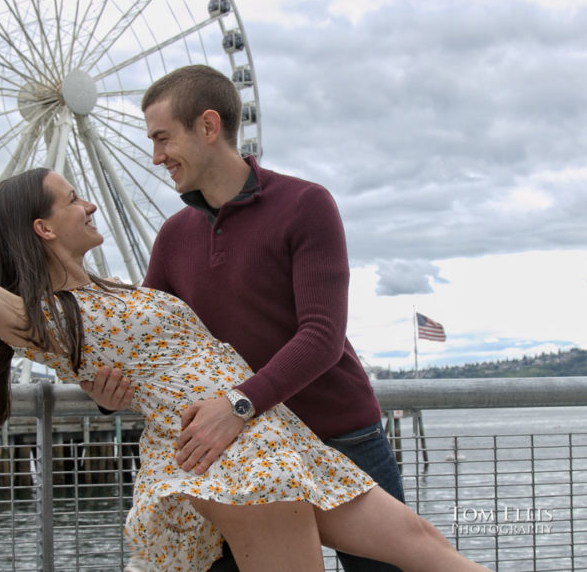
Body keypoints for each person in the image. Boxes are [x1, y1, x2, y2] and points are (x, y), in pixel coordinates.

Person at [0, 170, 487, 572]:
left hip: (270, 431)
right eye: (71, 196)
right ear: (44, 228)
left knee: (426, 545)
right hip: (223, 453)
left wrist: (107, 391)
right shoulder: (46, 315)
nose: (88, 200)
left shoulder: (114, 291)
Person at [84, 64, 405, 572]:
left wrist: (237, 405)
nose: (156, 156)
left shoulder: (306, 204)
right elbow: (149, 347)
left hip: (336, 433)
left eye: (163, 138)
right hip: (244, 452)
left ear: (208, 127)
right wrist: (107, 397)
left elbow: (322, 336)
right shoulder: (173, 236)